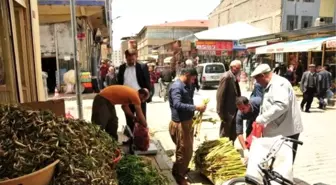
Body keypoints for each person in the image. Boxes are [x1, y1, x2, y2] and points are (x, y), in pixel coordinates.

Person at [251, 64, 303, 163]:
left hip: (286, 132)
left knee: (284, 163)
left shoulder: (278, 84)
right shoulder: (271, 83)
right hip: (279, 130)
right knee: (277, 161)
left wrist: (261, 119)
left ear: (263, 75)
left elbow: (281, 105)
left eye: (258, 79)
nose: (257, 82)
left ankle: (284, 178)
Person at [169, 68, 206, 185]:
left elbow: (188, 101)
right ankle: (179, 176)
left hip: (188, 121)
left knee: (187, 150)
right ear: (187, 75)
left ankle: (179, 170)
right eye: (193, 78)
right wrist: (195, 107)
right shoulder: (176, 87)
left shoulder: (187, 85)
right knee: (183, 151)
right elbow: (177, 104)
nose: (194, 81)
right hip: (180, 123)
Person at [117, 49, 151, 136]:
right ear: (126, 58)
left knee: (141, 120)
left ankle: (142, 140)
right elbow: (119, 83)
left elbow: (147, 83)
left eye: (133, 59)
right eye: (129, 60)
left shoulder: (142, 67)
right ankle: (130, 140)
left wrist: (147, 96)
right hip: (127, 99)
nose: (131, 61)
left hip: (139, 98)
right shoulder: (122, 68)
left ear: (136, 57)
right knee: (129, 120)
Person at [216, 60, 242, 141]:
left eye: (240, 68)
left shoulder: (233, 77)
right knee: (225, 134)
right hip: (227, 112)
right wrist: (220, 112)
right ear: (232, 68)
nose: (239, 70)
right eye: (237, 68)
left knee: (233, 133)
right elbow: (220, 96)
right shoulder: (227, 77)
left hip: (234, 110)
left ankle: (231, 147)